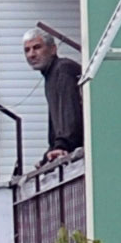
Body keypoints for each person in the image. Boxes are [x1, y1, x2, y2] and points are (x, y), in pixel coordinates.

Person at [22, 26, 85, 166]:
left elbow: (69, 112)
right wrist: (50, 153)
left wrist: (62, 145)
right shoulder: (51, 75)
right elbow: (56, 123)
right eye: (27, 50)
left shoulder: (63, 70)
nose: (31, 54)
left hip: (83, 154)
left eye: (37, 47)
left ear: (53, 49)